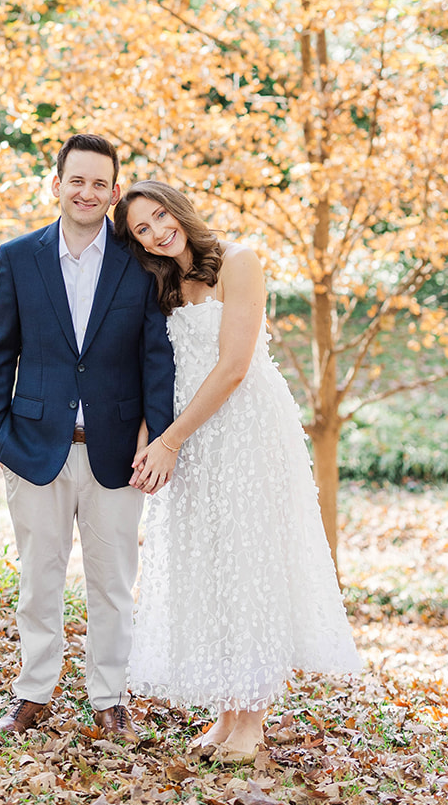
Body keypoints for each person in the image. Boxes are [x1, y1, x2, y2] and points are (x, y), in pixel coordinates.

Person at [113, 180, 361, 761]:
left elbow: (232, 367)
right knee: (212, 566)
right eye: (141, 231)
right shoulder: (164, 285)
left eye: (159, 216)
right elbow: (157, 370)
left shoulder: (239, 261)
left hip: (246, 430)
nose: (156, 232)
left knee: (249, 564)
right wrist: (157, 438)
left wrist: (168, 441)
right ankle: (227, 714)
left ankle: (252, 720)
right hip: (192, 437)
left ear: (179, 207)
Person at [0, 135, 176, 740]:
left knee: (112, 582)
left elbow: (156, 360)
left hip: (116, 452)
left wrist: (158, 437)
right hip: (34, 446)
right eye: (77, 180)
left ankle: (108, 697)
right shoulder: (19, 258)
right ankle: (34, 691)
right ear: (57, 185)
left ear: (114, 193)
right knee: (39, 577)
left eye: (100, 184)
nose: (87, 192)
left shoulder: (138, 265)